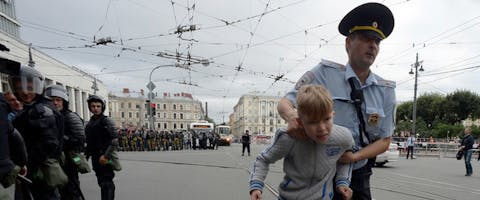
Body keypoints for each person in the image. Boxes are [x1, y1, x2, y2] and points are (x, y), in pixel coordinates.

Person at [277, 2, 396, 199]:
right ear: (348, 43)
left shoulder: (385, 91)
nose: (373, 45)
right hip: (318, 172)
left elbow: (385, 140)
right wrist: (292, 117)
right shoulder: (324, 74)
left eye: (377, 41)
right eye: (366, 39)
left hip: (357, 174)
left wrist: (354, 157)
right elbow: (285, 103)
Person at [250, 85, 354, 200]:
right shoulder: (288, 138)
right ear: (300, 121)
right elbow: (264, 159)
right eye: (313, 122)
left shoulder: (343, 137)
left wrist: (343, 181)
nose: (322, 128)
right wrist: (256, 185)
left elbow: (346, 159)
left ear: (333, 115)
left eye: (326, 119)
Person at [9, 65, 64, 199]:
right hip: (36, 170)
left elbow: (48, 144)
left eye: (29, 87)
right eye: (19, 88)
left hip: (38, 170)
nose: (25, 92)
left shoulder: (41, 111)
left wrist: (25, 165)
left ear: (38, 86)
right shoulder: (32, 108)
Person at [45, 84, 86, 200]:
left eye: (58, 100)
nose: (55, 103)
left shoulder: (70, 117)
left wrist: (60, 137)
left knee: (71, 191)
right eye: (52, 100)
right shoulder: (45, 116)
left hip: (69, 160)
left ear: (64, 102)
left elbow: (79, 140)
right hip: (52, 161)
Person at [85, 95, 119, 200]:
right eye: (93, 106)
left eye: (98, 106)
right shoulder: (89, 123)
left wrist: (106, 156)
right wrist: (85, 156)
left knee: (107, 183)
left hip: (105, 157)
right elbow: (89, 142)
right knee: (101, 181)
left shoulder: (106, 121)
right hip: (95, 157)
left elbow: (114, 140)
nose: (95, 108)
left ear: (102, 107)